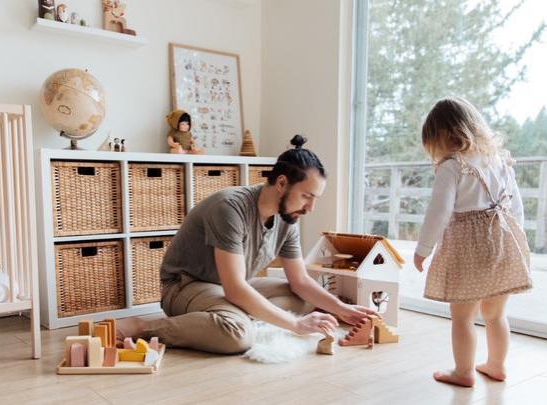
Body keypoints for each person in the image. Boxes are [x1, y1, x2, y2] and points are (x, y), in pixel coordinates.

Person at [117, 135, 378, 353]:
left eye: (315, 198)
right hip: (186, 285)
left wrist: (344, 310)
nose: (310, 208)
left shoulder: (288, 218)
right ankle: (144, 327)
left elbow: (300, 281)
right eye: (306, 196)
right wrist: (296, 326)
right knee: (238, 335)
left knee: (303, 301)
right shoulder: (229, 207)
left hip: (233, 285)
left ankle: (222, 318)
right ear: (282, 183)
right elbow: (235, 289)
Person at [413, 97, 533, 387]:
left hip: (469, 249)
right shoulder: (499, 161)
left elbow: (438, 213)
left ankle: (464, 372)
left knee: (463, 316)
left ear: (440, 136)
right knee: (495, 314)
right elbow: (516, 208)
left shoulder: (452, 166)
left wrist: (423, 250)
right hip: (504, 241)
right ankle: (496, 365)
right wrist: (520, 242)